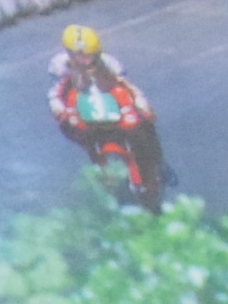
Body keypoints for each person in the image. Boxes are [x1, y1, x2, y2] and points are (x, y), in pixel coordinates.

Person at [45, 25, 169, 210]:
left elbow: (126, 87)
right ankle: (98, 167)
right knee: (72, 127)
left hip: (108, 103)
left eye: (89, 55)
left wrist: (140, 104)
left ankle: (157, 165)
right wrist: (59, 108)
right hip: (82, 107)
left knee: (143, 128)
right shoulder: (60, 67)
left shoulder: (110, 64)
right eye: (80, 56)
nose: (85, 60)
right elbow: (56, 92)